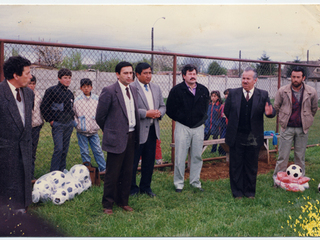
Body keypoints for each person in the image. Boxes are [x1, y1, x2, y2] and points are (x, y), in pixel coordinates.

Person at [224, 67, 276, 199]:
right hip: (236, 135)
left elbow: (270, 111)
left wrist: (270, 113)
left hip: (253, 136)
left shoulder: (263, 94)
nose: (245, 81)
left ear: (255, 80)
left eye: (248, 78)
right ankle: (237, 193)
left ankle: (249, 192)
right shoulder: (233, 93)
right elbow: (227, 111)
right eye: (243, 78)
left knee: (251, 165)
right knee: (235, 165)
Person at [96, 61, 140, 215]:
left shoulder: (133, 90)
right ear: (117, 74)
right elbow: (100, 116)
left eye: (131, 73)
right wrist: (111, 131)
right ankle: (108, 204)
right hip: (116, 138)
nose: (129, 75)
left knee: (128, 171)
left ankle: (123, 201)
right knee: (112, 173)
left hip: (132, 136)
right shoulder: (109, 91)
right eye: (125, 73)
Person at [166, 64, 210, 193]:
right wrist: (182, 119)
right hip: (182, 127)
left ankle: (195, 182)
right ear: (184, 76)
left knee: (196, 156)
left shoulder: (203, 90)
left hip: (198, 127)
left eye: (194, 73)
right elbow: (170, 109)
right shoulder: (176, 90)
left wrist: (201, 120)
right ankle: (179, 183)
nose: (192, 76)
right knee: (180, 156)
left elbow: (205, 108)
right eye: (190, 74)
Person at [0, 55, 34, 213]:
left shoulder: (29, 94)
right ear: (16, 75)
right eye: (27, 73)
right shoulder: (1, 94)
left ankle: (23, 207)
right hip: (5, 150)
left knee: (24, 179)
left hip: (25, 147)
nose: (30, 76)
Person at [273, 66, 318, 183]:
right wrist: (283, 118)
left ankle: (300, 180)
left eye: (298, 77)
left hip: (302, 129)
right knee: (283, 156)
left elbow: (314, 109)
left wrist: (307, 120)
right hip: (287, 128)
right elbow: (276, 107)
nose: (295, 79)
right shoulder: (282, 91)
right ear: (290, 77)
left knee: (300, 157)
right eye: (293, 77)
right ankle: (278, 180)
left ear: (303, 78)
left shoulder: (311, 92)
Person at [130, 62, 166, 197]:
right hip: (137, 131)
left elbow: (163, 105)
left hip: (152, 130)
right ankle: (132, 189)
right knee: (133, 162)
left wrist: (159, 113)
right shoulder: (131, 88)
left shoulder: (156, 88)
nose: (148, 76)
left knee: (149, 161)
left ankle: (146, 187)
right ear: (137, 74)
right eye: (145, 73)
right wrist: (146, 113)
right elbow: (130, 109)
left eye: (150, 72)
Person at [40, 68, 75, 172]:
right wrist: (51, 120)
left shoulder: (70, 93)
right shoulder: (52, 91)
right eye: (65, 78)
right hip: (58, 124)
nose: (67, 80)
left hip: (68, 124)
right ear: (59, 78)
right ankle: (54, 172)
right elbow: (44, 107)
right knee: (59, 149)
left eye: (69, 78)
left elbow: (71, 109)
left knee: (65, 149)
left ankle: (62, 170)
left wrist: (72, 120)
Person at [73, 78, 106, 173]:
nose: (86, 89)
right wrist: (77, 124)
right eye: (84, 87)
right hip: (81, 131)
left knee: (98, 150)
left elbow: (101, 112)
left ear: (91, 87)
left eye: (88, 87)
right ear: (80, 88)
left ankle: (103, 168)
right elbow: (73, 114)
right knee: (84, 152)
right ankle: (87, 170)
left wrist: (99, 124)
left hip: (94, 130)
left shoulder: (97, 99)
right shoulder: (77, 100)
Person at [28, 75, 44, 180]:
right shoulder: (20, 95)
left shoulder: (38, 96)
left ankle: (31, 175)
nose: (32, 86)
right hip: (25, 128)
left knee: (33, 153)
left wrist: (40, 123)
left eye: (33, 84)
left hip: (35, 127)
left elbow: (40, 111)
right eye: (30, 83)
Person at [204, 90, 225, 155]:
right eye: (212, 96)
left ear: (218, 97)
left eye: (215, 96)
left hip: (215, 126)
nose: (213, 97)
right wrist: (205, 121)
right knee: (205, 138)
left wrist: (217, 123)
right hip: (208, 125)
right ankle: (201, 149)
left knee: (215, 139)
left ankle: (213, 151)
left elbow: (221, 116)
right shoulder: (208, 105)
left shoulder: (220, 106)